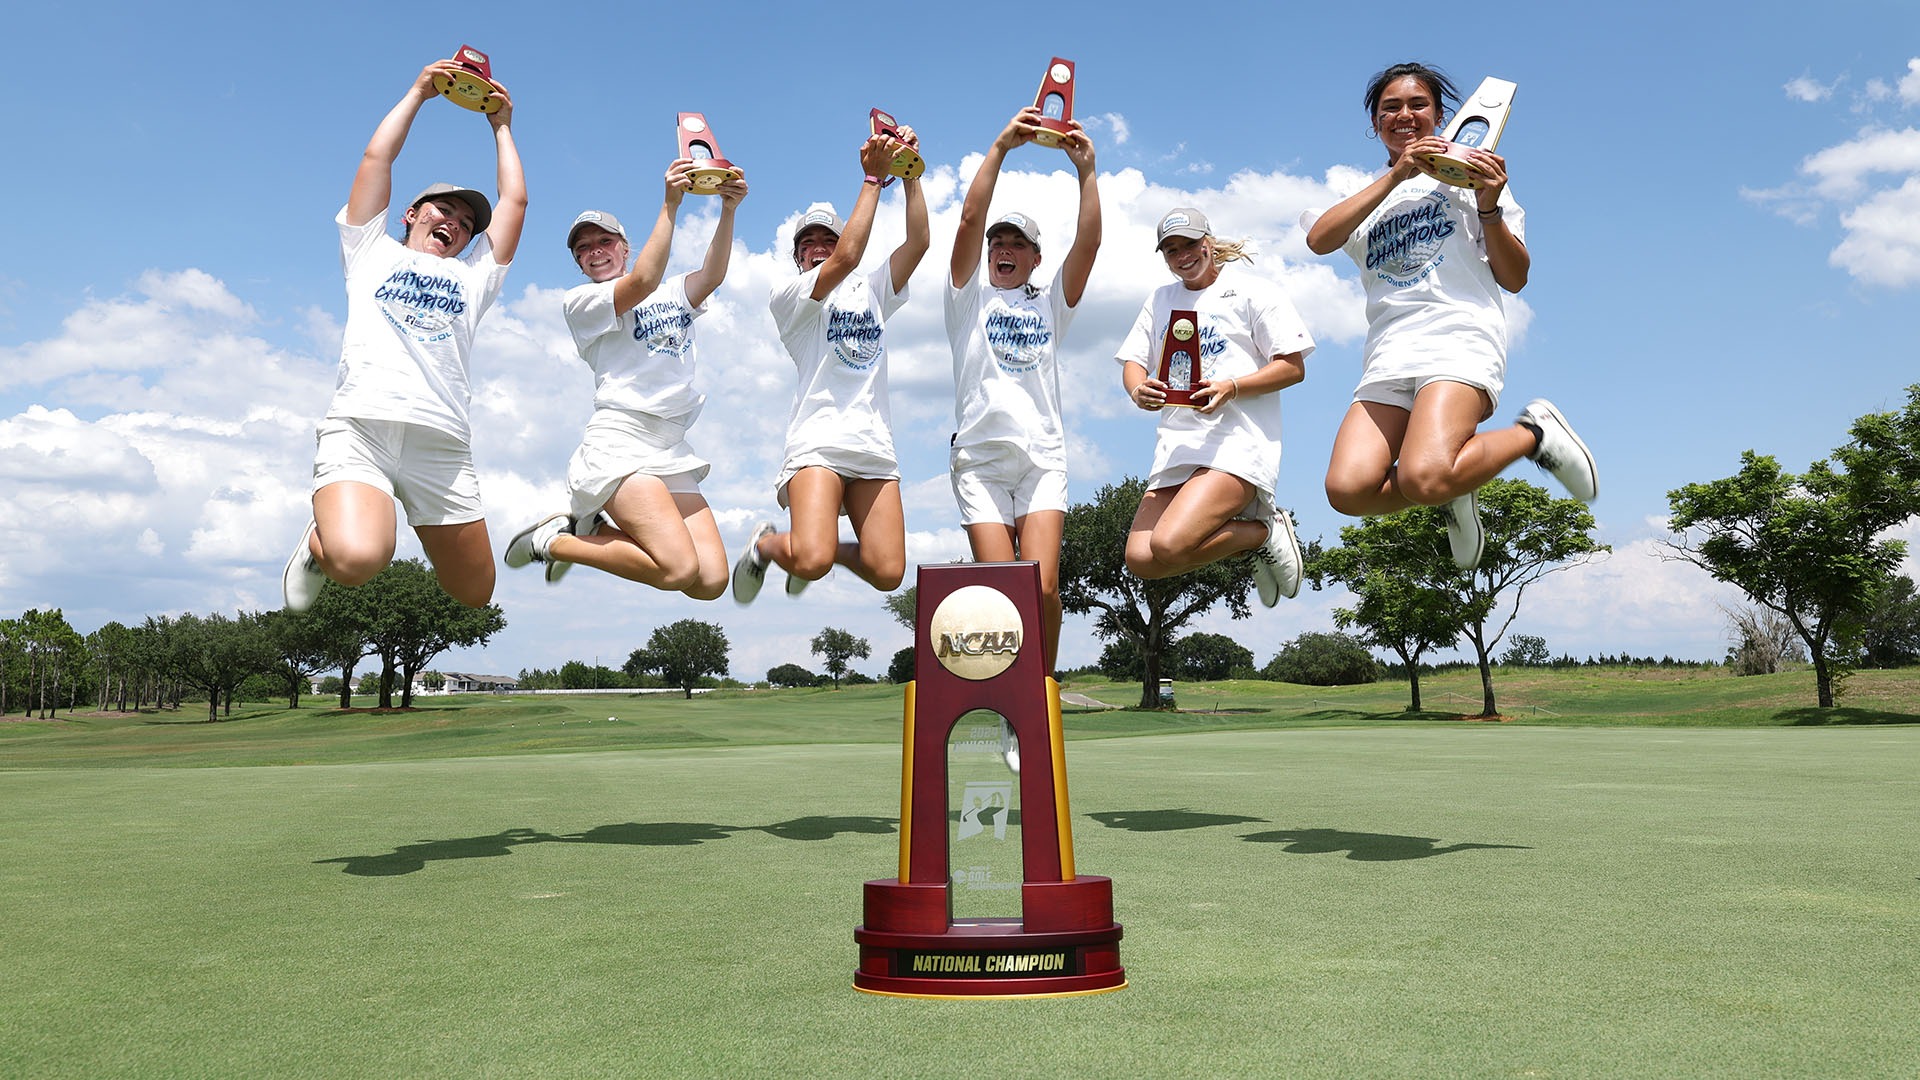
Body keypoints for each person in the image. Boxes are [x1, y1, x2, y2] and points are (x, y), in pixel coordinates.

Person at [1303, 61, 1596, 571]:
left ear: (1441, 117)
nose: (1404, 115)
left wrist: (1488, 204)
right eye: (1390, 107)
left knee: (1424, 477)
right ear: (1375, 123)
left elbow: (1515, 277)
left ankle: (1535, 435)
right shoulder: (1368, 192)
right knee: (1348, 491)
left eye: (1418, 105)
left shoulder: (1474, 181)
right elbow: (1319, 239)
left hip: (1457, 338)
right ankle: (1459, 484)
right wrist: (1398, 175)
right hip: (1388, 354)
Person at [282, 59, 526, 612]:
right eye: (446, 210)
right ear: (412, 213)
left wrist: (502, 125)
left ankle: (360, 529)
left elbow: (514, 204)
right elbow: (378, 157)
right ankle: (322, 544)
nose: (456, 224)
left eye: (466, 224)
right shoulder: (370, 249)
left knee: (474, 595)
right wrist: (419, 92)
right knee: (358, 561)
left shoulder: (476, 276)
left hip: (441, 443)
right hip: (364, 427)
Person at [500, 159, 746, 600]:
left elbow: (712, 274)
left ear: (625, 247)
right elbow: (645, 280)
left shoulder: (673, 293)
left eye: (604, 241)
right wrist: (671, 204)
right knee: (676, 568)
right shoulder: (583, 302)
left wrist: (728, 208)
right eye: (584, 248)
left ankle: (587, 527)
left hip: (669, 446)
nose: (595, 250)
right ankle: (553, 542)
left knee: (709, 581)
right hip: (620, 446)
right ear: (578, 262)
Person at [732, 130, 929, 603]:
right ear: (798, 256)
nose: (818, 247)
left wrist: (909, 172)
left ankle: (800, 548)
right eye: (808, 242)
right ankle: (768, 545)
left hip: (873, 444)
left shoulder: (871, 290)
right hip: (818, 441)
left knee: (887, 572)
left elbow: (919, 242)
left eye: (827, 238)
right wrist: (872, 177)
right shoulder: (791, 297)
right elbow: (848, 257)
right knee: (813, 563)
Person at [945, 106, 1100, 671]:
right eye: (997, 243)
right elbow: (967, 220)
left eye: (1017, 243)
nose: (1003, 249)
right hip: (981, 462)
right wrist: (1002, 146)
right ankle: (1008, 693)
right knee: (1002, 594)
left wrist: (1086, 172)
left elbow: (1088, 244)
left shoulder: (1050, 303)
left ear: (1035, 258)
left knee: (1042, 590)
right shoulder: (967, 300)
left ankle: (1041, 688)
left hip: (1042, 459)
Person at [1116, 209, 1314, 608]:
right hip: (1176, 448)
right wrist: (1138, 390)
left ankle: (1264, 531)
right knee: (1141, 559)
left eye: (1189, 244)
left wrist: (1232, 386)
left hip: (1235, 446)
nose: (1182, 255)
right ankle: (1246, 544)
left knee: (1170, 545)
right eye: (1171, 250)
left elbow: (1293, 368)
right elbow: (1134, 361)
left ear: (1208, 240)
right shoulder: (1160, 299)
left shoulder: (1253, 291)